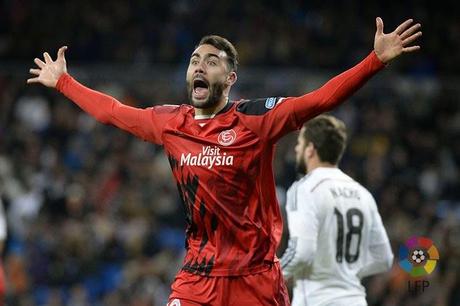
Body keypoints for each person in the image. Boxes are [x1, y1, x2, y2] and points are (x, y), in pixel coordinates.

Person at [27, 17, 420, 305]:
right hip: (198, 278)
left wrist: (374, 60)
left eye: (212, 61)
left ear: (230, 78)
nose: (200, 65)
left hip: (255, 280)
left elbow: (317, 100)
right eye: (195, 59)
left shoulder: (254, 119)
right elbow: (113, 111)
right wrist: (64, 81)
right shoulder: (170, 123)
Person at [280, 115, 394, 306]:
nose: (296, 148)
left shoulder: (305, 189)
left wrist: (272, 276)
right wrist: (344, 271)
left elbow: (302, 252)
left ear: (310, 149)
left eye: (300, 143)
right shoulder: (363, 194)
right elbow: (384, 258)